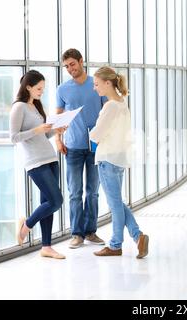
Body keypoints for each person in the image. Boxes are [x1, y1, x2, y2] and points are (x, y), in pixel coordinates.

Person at [89, 66, 149, 259]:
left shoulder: (110, 106)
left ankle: (115, 245)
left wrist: (90, 132)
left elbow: (96, 135)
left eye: (97, 84)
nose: (95, 88)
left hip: (107, 158)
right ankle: (138, 236)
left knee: (115, 205)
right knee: (118, 203)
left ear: (108, 83)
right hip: (119, 158)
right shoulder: (122, 103)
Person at [10, 70, 67, 259]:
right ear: (28, 87)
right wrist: (36, 129)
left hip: (50, 159)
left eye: (43, 88)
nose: (41, 91)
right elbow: (14, 137)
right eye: (38, 88)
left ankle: (46, 246)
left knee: (48, 203)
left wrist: (56, 130)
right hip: (35, 162)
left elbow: (42, 135)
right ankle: (26, 225)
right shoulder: (19, 107)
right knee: (56, 201)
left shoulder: (35, 106)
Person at [56, 49, 107, 249]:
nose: (70, 69)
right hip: (73, 147)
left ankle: (90, 231)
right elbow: (59, 117)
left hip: (96, 146)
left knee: (93, 192)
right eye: (67, 66)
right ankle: (76, 234)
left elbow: (106, 112)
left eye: (72, 64)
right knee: (74, 192)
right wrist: (58, 140)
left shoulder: (96, 84)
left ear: (81, 61)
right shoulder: (63, 89)